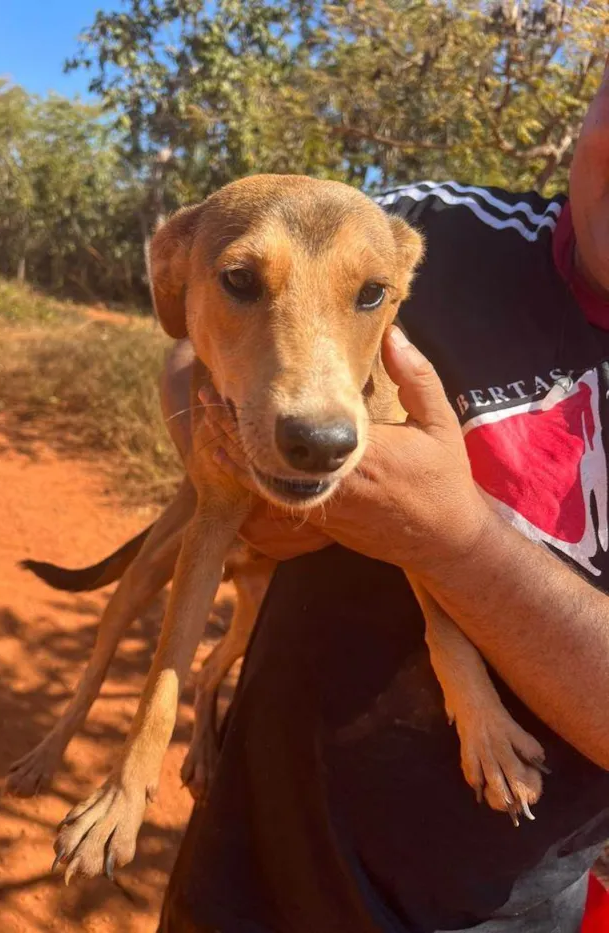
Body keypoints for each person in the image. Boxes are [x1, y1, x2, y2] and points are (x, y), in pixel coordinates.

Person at [157, 59, 609, 933]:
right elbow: (201, 330)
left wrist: (457, 543)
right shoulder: (425, 229)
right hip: (254, 853)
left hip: (499, 911)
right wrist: (241, 456)